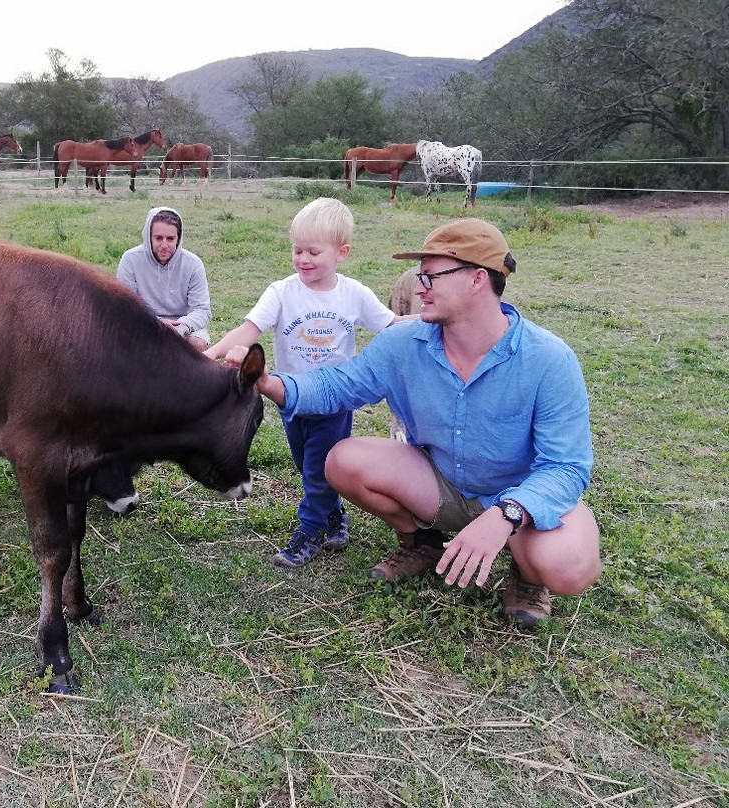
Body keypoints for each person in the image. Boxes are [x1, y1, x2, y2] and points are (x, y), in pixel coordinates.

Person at [239, 218, 601, 626]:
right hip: (442, 482)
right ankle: (423, 542)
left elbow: (567, 468)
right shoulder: (403, 342)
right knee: (343, 460)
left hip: (518, 497)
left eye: (430, 277)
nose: (417, 288)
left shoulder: (549, 359)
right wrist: (267, 383)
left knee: (568, 566)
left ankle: (527, 576)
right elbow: (338, 386)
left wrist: (506, 515)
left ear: (478, 279)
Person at [205, 197, 399, 568]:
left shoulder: (354, 294)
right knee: (308, 464)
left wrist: (428, 322)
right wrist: (209, 355)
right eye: (297, 250)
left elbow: (391, 327)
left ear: (342, 252)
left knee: (316, 471)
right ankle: (334, 515)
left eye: (313, 251)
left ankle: (309, 530)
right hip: (290, 399)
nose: (303, 259)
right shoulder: (282, 292)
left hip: (334, 402)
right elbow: (249, 329)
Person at [117, 207, 212, 350]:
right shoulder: (130, 260)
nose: (164, 245)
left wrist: (180, 327)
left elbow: (202, 310)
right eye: (158, 238)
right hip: (143, 323)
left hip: (182, 325)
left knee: (198, 343)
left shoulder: (193, 264)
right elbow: (125, 308)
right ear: (149, 237)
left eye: (170, 239)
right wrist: (157, 323)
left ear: (178, 239)